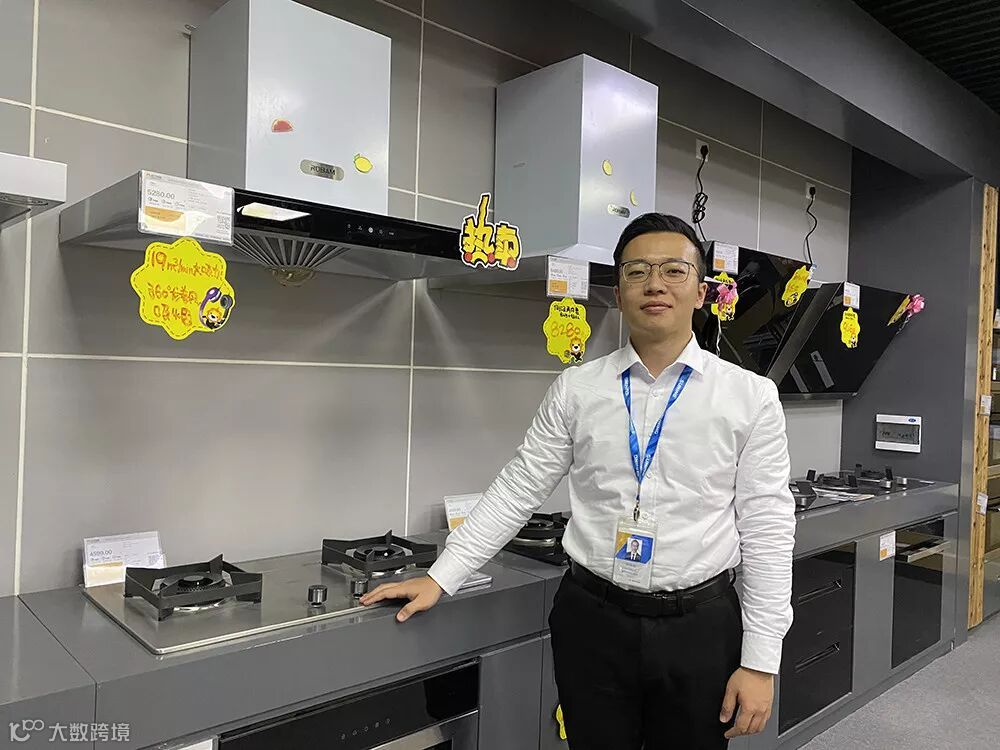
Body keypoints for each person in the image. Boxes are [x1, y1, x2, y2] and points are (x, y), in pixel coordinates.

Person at [361, 213, 796, 749]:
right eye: (637, 271)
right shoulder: (578, 389)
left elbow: (768, 530)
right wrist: (441, 576)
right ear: (618, 291)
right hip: (592, 621)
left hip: (700, 626)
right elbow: (519, 487)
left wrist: (761, 660)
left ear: (702, 291)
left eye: (673, 270)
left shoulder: (750, 397)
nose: (655, 284)